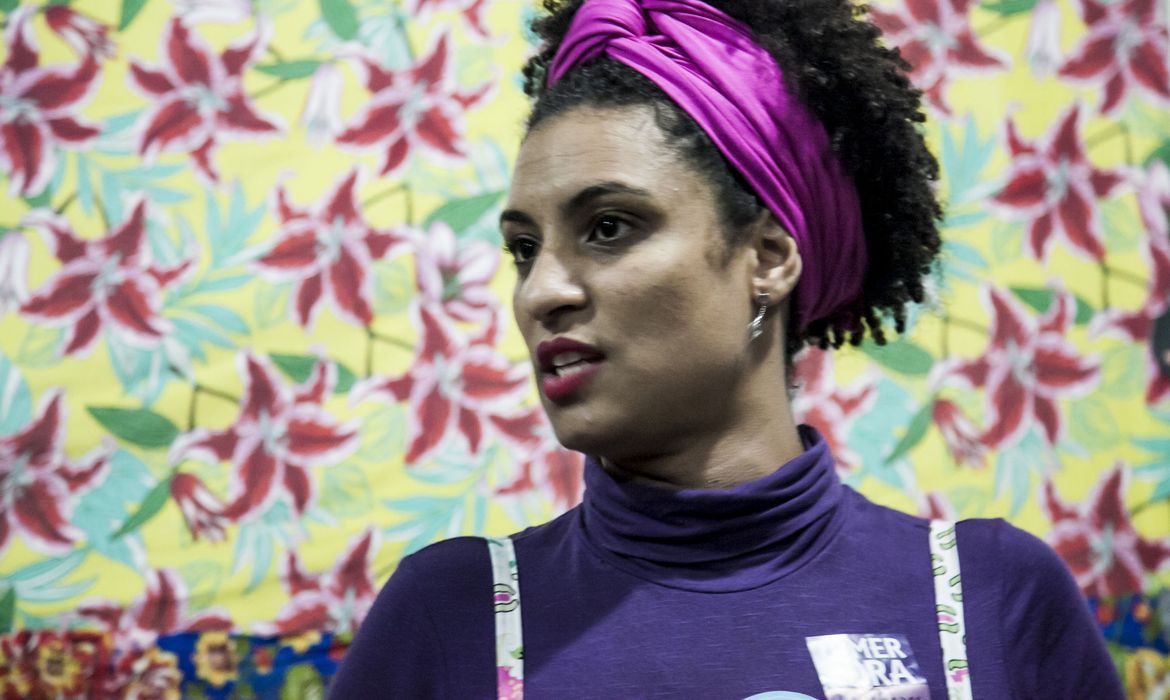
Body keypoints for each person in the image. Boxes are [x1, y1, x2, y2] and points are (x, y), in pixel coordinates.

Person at [330, 0, 1125, 697]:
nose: (542, 292)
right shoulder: (452, 618)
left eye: (608, 227)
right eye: (524, 249)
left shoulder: (988, 601)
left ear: (768, 259)